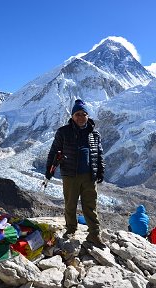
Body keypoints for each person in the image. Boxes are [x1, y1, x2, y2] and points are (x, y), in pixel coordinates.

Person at [45, 99, 105, 247]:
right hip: (70, 175)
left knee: (90, 206)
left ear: (87, 116)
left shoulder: (94, 134)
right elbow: (53, 152)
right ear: (72, 116)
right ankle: (71, 229)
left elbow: (99, 154)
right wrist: (48, 172)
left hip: (89, 176)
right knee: (70, 205)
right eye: (77, 114)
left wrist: (101, 170)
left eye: (83, 114)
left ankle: (94, 234)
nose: (80, 117)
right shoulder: (63, 132)